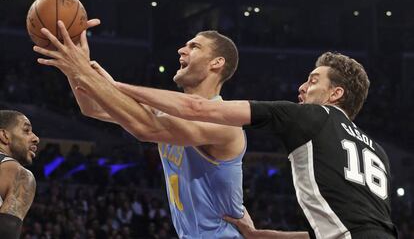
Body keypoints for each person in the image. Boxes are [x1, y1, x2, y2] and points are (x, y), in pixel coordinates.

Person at [66, 51, 397, 239]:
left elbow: (199, 109)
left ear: (335, 94)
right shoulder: (376, 151)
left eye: (313, 80)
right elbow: (336, 231)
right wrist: (261, 235)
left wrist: (111, 83)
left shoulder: (309, 116)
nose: (301, 87)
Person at [0, 110, 39, 239]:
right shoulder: (19, 174)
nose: (36, 138)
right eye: (26, 130)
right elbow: (6, 233)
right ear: (4, 135)